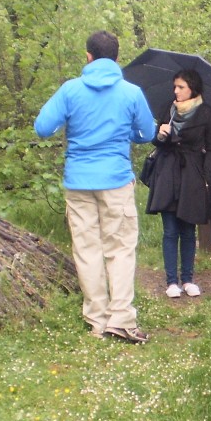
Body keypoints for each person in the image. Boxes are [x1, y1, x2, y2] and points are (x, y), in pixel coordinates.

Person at [34, 30, 155, 342]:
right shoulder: (131, 92)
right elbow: (147, 133)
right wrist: (124, 134)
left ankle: (98, 322)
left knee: (87, 249)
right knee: (121, 249)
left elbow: (43, 128)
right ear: (117, 58)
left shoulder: (70, 90)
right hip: (115, 179)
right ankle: (122, 319)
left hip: (78, 181)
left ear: (88, 56)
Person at [144, 69, 211, 298]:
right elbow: (155, 141)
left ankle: (188, 279)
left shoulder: (208, 113)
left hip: (192, 173)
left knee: (188, 229)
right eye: (174, 86)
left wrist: (205, 176)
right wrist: (161, 134)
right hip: (167, 172)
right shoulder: (168, 108)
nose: (176, 91)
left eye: (181, 87)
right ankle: (171, 281)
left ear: (192, 89)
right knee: (170, 230)